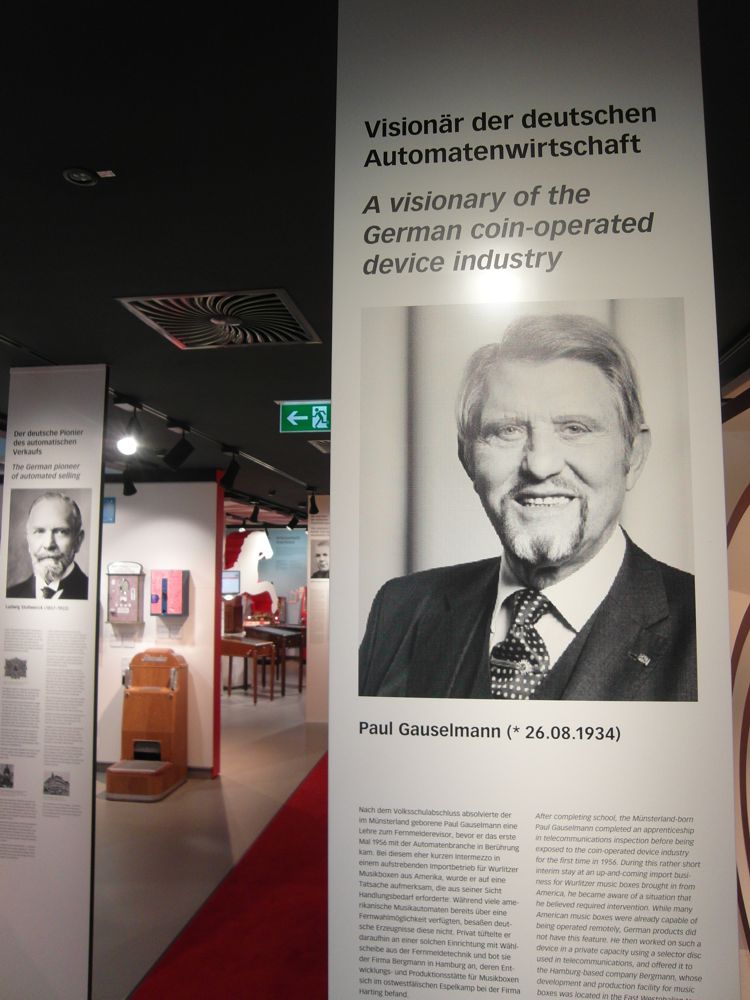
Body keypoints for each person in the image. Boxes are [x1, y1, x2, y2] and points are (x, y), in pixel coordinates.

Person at [359, 313, 696, 701]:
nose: (539, 464)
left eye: (575, 428)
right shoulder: (400, 609)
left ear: (633, 455)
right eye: (507, 431)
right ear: (467, 457)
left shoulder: (705, 624)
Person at [6, 492, 89, 600]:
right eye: (39, 531)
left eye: (61, 532)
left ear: (78, 540)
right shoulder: (9, 595)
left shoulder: (93, 593)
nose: (49, 544)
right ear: (28, 539)